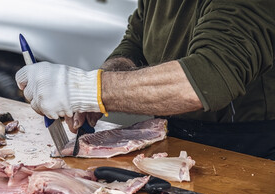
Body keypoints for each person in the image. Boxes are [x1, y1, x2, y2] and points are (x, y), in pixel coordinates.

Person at [15, 0, 275, 160]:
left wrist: (83, 88)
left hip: (249, 148)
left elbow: (209, 76)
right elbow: (135, 42)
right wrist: (101, 80)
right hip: (174, 138)